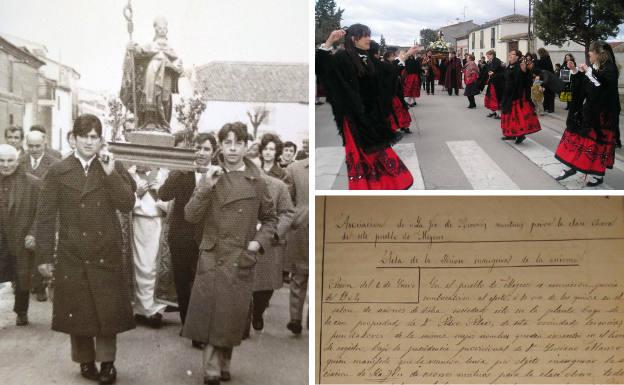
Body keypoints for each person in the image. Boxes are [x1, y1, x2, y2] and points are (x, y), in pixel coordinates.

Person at [36, 114, 136, 384]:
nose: (90, 142)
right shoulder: (58, 171)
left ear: (101, 140)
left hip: (106, 250)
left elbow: (127, 204)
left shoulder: (112, 167)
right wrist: (44, 256)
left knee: (106, 311)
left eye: (95, 137)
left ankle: (107, 363)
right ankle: (85, 360)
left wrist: (111, 173)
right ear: (73, 138)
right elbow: (44, 216)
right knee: (78, 310)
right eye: (84, 137)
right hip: (72, 252)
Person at [182, 122, 277, 385]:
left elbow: (270, 219)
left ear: (247, 146)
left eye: (238, 143)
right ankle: (211, 368)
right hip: (212, 255)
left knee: (230, 313)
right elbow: (190, 215)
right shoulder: (210, 176)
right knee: (213, 313)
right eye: (227, 142)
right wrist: (205, 187)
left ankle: (224, 361)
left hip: (240, 257)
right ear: (220, 146)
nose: (232, 148)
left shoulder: (257, 181)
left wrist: (257, 243)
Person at [316, 26, 413, 190]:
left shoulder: (368, 58)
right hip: (354, 118)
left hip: (372, 116)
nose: (369, 39)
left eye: (369, 35)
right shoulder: (342, 57)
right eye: (365, 36)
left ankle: (383, 186)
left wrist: (407, 54)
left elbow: (388, 71)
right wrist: (329, 41)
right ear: (354, 39)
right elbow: (323, 69)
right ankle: (364, 189)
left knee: (379, 153)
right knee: (364, 155)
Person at [159, 133, 216, 348]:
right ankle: (190, 326)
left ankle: (200, 326)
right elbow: (163, 195)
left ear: (213, 152)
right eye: (197, 148)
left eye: (206, 149)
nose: (201, 153)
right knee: (183, 283)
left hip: (208, 237)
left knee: (203, 284)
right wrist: (176, 174)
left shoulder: (218, 174)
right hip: (181, 237)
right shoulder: (182, 173)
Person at [554, 41, 620, 187]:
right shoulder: (594, 67)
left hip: (602, 115)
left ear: (598, 54)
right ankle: (569, 167)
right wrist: (577, 73)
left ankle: (596, 174)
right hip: (589, 112)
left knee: (594, 144)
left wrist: (590, 73)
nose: (588, 55)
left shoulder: (610, 68)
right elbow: (585, 86)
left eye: (590, 52)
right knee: (576, 138)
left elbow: (604, 88)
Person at [0, 144, 40, 326]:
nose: (5, 165)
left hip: (20, 236)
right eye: (1, 161)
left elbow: (42, 212)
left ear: (17, 161)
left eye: (10, 160)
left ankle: (21, 311)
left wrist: (33, 233)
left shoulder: (32, 183)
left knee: (21, 275)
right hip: (1, 237)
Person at [122, 17, 183, 131]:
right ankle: (149, 121)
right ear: (155, 30)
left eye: (164, 28)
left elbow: (178, 66)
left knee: (164, 98)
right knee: (150, 96)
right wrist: (132, 46)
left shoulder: (171, 49)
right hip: (152, 71)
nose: (162, 30)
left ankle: (163, 123)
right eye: (160, 28)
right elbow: (139, 51)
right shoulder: (151, 45)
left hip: (166, 74)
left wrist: (176, 67)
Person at [129, 164, 168, 328]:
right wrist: (136, 194)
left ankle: (155, 309)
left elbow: (172, 202)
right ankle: (139, 309)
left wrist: (160, 193)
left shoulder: (164, 172)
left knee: (154, 266)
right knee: (138, 265)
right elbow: (122, 200)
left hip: (158, 223)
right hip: (137, 222)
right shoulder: (129, 172)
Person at [23, 130, 58, 302]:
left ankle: (40, 286)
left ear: (45, 144)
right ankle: (24, 283)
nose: (34, 149)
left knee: (40, 248)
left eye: (37, 146)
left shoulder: (54, 164)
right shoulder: (20, 161)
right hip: (23, 213)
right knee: (24, 250)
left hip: (45, 212)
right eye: (30, 146)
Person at [284, 157, 309, 335]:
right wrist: (296, 217)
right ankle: (295, 319)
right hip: (301, 227)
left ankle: (311, 318)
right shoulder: (295, 169)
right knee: (298, 275)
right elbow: (287, 200)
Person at [499, 49, 541, 144]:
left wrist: (525, 71)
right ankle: (511, 134)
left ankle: (520, 135)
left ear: (517, 56)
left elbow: (527, 80)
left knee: (517, 117)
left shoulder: (521, 66)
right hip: (507, 94)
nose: (510, 55)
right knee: (508, 116)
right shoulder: (508, 66)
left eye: (512, 54)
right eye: (509, 53)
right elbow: (504, 78)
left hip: (516, 95)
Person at [484, 50, 504, 119]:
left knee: (496, 98)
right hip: (492, 82)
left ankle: (499, 114)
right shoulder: (490, 61)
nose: (487, 57)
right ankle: (493, 112)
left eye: (488, 55)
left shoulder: (496, 60)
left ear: (492, 55)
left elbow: (493, 70)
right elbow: (488, 70)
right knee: (490, 97)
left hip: (497, 83)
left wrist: (491, 72)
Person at [535, 48, 556, 113]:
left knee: (548, 94)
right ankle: (548, 107)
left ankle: (549, 108)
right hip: (550, 78)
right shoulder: (547, 58)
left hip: (547, 78)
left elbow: (542, 69)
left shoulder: (543, 59)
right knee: (548, 93)